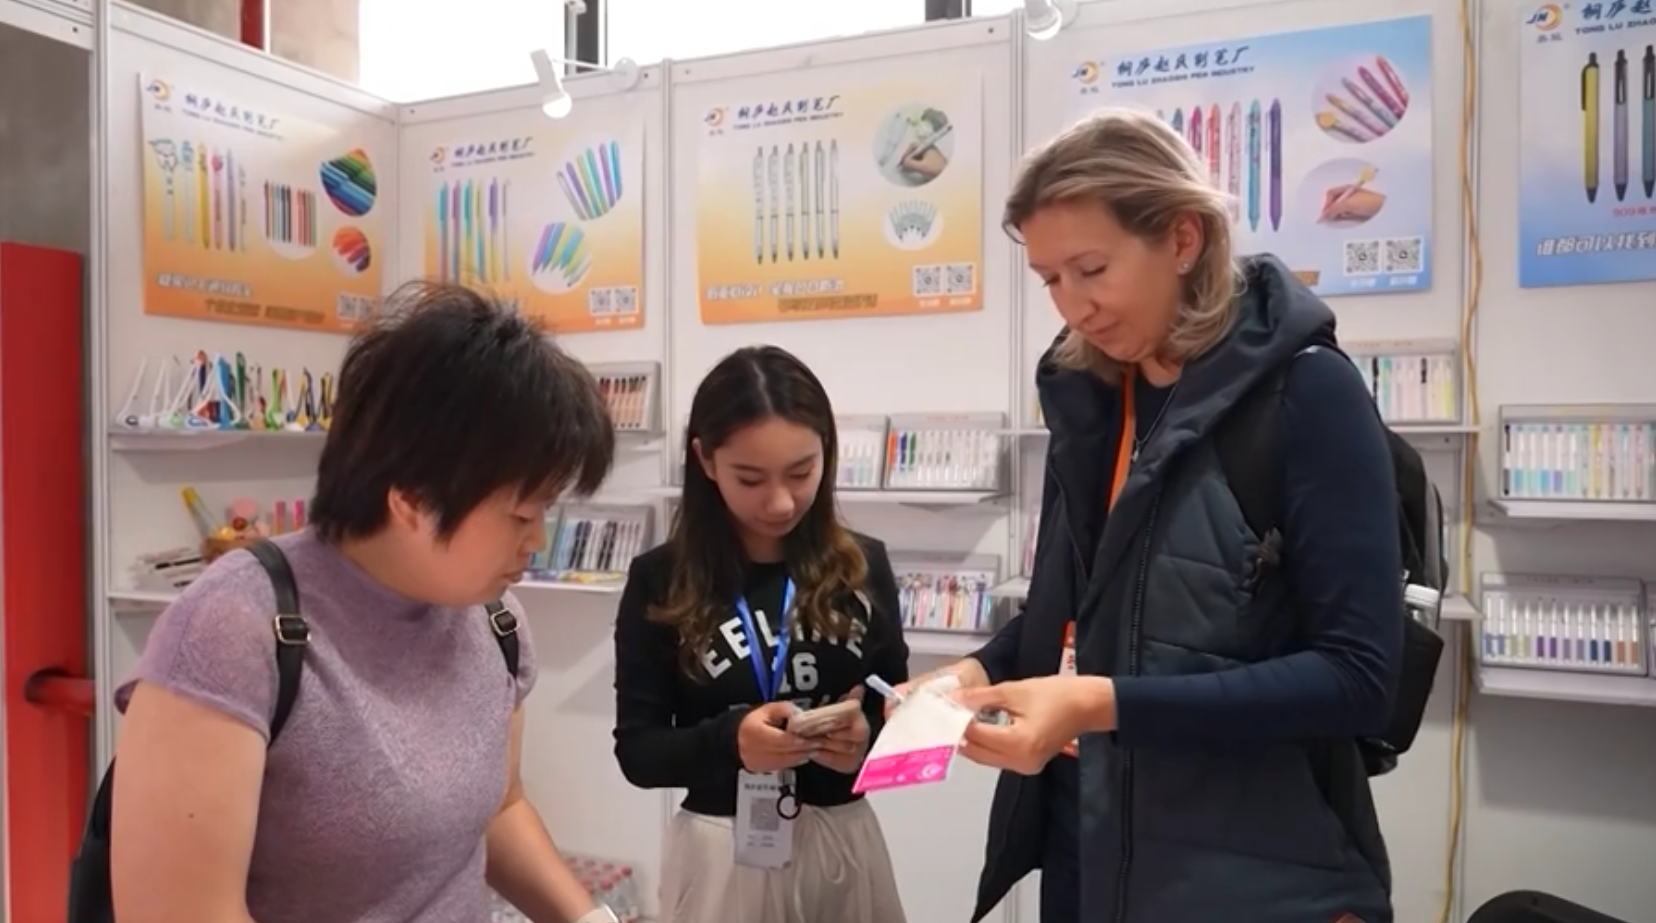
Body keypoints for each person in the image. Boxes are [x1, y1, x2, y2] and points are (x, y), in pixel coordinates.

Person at [926, 108, 1406, 923]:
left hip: (1254, 877)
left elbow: (1358, 678)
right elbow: (1075, 616)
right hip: (1088, 852)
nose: (1073, 305)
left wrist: (1102, 705)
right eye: (1049, 279)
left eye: (1091, 269)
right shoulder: (1089, 398)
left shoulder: (1308, 394)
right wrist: (972, 672)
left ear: (1183, 239)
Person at [109, 282, 624, 923]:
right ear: (410, 498)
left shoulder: (495, 623)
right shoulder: (233, 629)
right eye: (521, 514)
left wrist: (590, 919)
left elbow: (500, 808)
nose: (537, 540)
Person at [612, 345, 910, 923]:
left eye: (801, 473)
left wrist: (866, 741)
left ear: (827, 451)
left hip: (844, 842)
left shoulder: (863, 565)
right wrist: (731, 744)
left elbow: (896, 710)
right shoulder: (662, 579)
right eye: (749, 479)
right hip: (720, 853)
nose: (779, 502)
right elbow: (639, 753)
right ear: (705, 460)